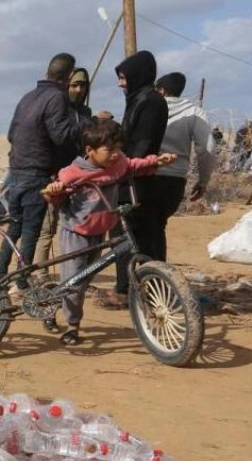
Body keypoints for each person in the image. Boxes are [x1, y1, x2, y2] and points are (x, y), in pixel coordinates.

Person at [42, 120, 175, 346]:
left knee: (83, 278)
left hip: (101, 228)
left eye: (119, 148)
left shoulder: (118, 163)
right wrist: (54, 191)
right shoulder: (72, 173)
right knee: (75, 281)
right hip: (76, 230)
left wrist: (156, 161)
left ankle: (54, 297)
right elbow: (55, 196)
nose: (116, 154)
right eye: (109, 149)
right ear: (89, 151)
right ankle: (73, 326)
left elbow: (132, 165)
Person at [0, 53, 83, 292]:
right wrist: (83, 126)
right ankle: (21, 280)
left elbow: (11, 135)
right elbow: (60, 135)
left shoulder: (28, 97)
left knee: (14, 227)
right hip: (35, 173)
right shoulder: (57, 97)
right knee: (30, 231)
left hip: (17, 170)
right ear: (68, 76)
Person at [104, 50, 168, 309]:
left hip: (136, 180)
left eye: (123, 77)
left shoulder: (150, 102)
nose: (120, 83)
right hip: (134, 176)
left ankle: (130, 291)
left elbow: (141, 144)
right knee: (137, 235)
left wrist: (120, 167)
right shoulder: (139, 99)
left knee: (131, 235)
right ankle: (142, 289)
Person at [36, 66, 97, 301]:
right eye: (74, 85)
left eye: (83, 85)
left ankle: (76, 278)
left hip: (79, 178)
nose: (79, 89)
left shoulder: (86, 113)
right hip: (56, 176)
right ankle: (41, 274)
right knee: (47, 229)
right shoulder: (58, 108)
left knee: (75, 228)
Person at [154, 72, 217, 236]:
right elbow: (207, 149)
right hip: (174, 180)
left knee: (140, 227)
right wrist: (202, 182)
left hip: (146, 174)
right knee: (158, 226)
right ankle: (155, 261)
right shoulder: (194, 112)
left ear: (161, 91)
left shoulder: (148, 108)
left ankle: (145, 261)